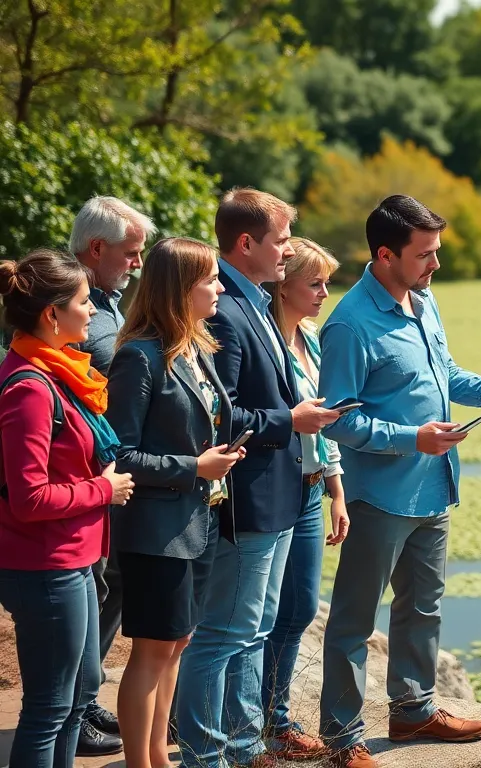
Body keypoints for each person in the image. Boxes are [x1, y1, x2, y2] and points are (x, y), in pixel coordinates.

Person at [317, 195, 481, 768]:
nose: (436, 265)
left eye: (437, 252)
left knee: (423, 605)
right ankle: (342, 737)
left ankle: (414, 710)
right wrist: (410, 438)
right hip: (380, 495)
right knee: (354, 616)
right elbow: (339, 419)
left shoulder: (424, 300)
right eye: (425, 255)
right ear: (385, 254)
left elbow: (444, 374)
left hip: (433, 485)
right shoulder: (349, 324)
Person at [174, 189, 339, 768]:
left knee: (254, 627)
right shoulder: (225, 307)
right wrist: (290, 420)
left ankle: (243, 748)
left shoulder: (255, 301)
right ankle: (204, 755)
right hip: (249, 498)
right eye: (281, 240)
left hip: (283, 493)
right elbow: (219, 413)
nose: (289, 250)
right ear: (246, 244)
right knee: (224, 634)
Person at [105, 238, 245, 768]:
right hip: (156, 530)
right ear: (180, 288)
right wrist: (195, 468)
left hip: (198, 522)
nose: (219, 287)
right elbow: (119, 454)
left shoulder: (193, 346)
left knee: (178, 643)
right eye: (210, 279)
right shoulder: (139, 356)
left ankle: (161, 758)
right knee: (151, 650)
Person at [0, 249, 135, 768]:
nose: (94, 313)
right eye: (84, 302)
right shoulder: (31, 388)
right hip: (45, 566)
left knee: (72, 704)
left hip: (70, 560)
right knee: (48, 710)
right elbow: (30, 496)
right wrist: (103, 489)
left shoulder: (56, 372)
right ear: (52, 315)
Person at [68, 195, 155, 758]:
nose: (137, 264)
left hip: (115, 478)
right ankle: (72, 712)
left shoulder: (110, 298)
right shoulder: (71, 302)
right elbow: (111, 359)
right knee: (94, 594)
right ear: (96, 249)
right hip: (88, 479)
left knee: (113, 589)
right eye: (130, 253)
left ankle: (85, 695)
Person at [260, 237, 350, 758]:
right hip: (276, 488)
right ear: (283, 283)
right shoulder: (265, 338)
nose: (323, 292)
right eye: (314, 282)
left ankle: (277, 719)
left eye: (326, 282)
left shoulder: (311, 338)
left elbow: (327, 422)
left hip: (314, 489)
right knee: (260, 615)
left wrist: (337, 490)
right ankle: (256, 721)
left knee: (296, 612)